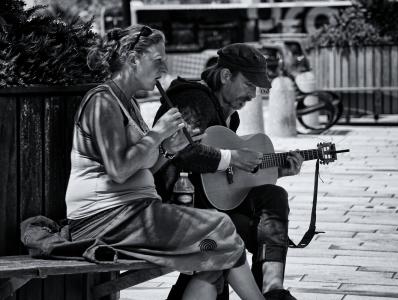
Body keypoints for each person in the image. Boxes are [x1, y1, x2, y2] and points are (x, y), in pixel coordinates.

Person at [65, 25, 266, 300]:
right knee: (221, 230)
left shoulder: (129, 103)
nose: (164, 67)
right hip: (106, 219)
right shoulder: (103, 102)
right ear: (132, 59)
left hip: (133, 214)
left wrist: (169, 150)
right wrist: (157, 133)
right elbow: (119, 169)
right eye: (158, 60)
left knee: (218, 251)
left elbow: (144, 166)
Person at [153, 43, 304, 300]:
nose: (254, 95)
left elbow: (225, 180)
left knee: (273, 196)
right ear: (225, 76)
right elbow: (185, 153)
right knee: (230, 238)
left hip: (209, 201)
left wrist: (277, 171)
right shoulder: (193, 99)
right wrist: (232, 157)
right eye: (249, 85)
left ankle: (273, 289)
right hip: (180, 203)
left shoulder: (230, 116)